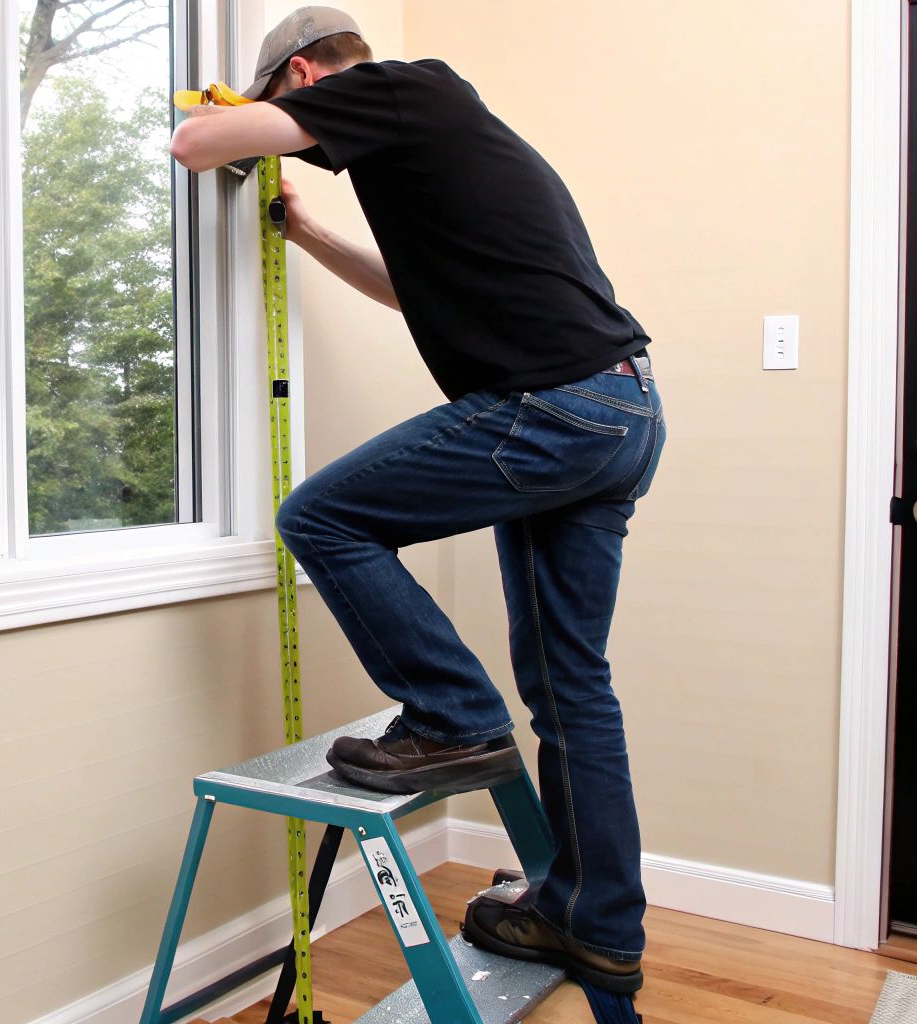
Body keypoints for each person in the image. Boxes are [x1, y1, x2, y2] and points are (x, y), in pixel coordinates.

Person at [168, 5, 666, 996]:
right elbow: (409, 292)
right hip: (616, 410)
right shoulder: (423, 144)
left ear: (306, 78)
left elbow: (195, 142)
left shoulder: (405, 84)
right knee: (570, 688)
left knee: (321, 514)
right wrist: (306, 233)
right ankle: (595, 920)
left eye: (290, 114)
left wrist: (227, 112)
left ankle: (448, 715)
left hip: (557, 407)